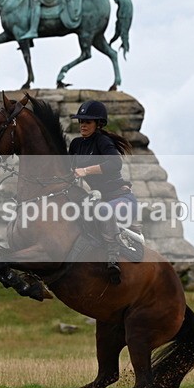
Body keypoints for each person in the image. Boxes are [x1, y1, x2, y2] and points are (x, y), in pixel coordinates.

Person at [69, 100, 137, 284]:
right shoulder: (76, 145)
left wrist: (85, 171)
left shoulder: (102, 141)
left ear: (98, 124)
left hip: (122, 200)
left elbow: (115, 163)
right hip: (99, 200)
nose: (83, 125)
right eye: (81, 121)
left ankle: (113, 258)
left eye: (88, 122)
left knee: (102, 210)